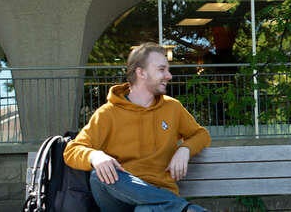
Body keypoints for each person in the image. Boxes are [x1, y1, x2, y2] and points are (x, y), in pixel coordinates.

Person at [64, 43, 211, 212]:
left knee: (146, 210)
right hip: (118, 199)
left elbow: (201, 135)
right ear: (141, 72)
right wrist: (95, 156)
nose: (169, 76)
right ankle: (183, 209)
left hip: (159, 193)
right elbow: (72, 150)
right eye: (162, 69)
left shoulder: (173, 108)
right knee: (98, 176)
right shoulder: (108, 113)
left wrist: (185, 149)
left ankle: (175, 207)